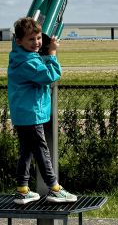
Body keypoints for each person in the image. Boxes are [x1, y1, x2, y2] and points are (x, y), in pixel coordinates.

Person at [8, 16, 77, 205]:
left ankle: (22, 190)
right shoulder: (28, 62)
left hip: (23, 113)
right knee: (41, 150)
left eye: (38, 38)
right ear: (19, 41)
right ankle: (54, 188)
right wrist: (53, 53)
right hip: (31, 113)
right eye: (30, 39)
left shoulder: (20, 57)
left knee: (27, 151)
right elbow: (50, 75)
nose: (36, 43)